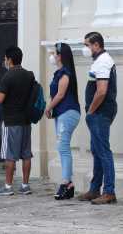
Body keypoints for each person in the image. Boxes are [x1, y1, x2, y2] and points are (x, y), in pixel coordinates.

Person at [77, 32, 118, 205]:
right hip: (99, 113)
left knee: (103, 151)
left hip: (100, 113)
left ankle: (109, 191)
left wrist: (91, 111)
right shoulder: (100, 61)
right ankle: (95, 189)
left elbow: (101, 91)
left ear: (96, 45)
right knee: (97, 150)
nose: (85, 48)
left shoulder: (103, 62)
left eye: (87, 45)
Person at [0, 46, 34, 196]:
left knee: (9, 154)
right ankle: (25, 185)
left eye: (5, 58)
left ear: (9, 59)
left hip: (11, 120)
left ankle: (8, 186)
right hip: (26, 120)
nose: (4, 61)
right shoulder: (29, 75)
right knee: (26, 154)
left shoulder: (8, 76)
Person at [45, 42, 80, 200]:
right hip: (61, 113)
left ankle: (65, 182)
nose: (51, 56)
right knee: (62, 147)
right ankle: (69, 183)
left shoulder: (65, 73)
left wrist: (48, 108)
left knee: (63, 147)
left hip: (68, 112)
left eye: (54, 53)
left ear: (60, 56)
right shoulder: (59, 73)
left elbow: (60, 95)